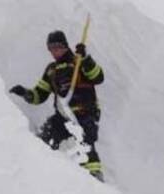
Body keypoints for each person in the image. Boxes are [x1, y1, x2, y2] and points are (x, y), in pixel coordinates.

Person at [10, 30, 106, 181]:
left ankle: (95, 178)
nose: (54, 52)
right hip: (63, 116)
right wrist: (25, 93)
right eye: (51, 48)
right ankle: (37, 171)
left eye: (57, 47)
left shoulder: (78, 61)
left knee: (85, 144)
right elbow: (39, 95)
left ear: (65, 46)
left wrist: (86, 59)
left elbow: (98, 77)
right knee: (45, 138)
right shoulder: (51, 70)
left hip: (84, 113)